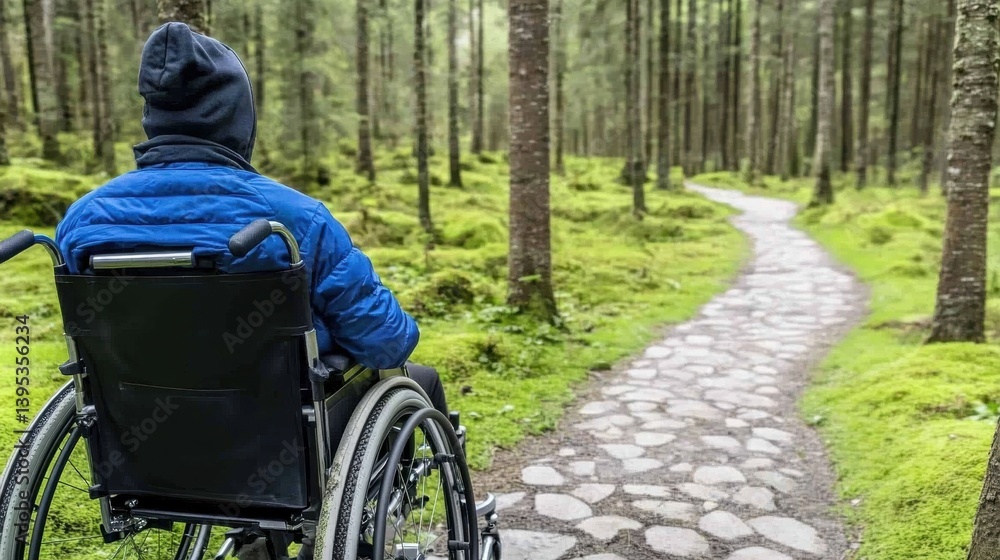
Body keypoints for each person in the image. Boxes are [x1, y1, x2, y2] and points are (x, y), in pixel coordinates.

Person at [56, 25, 449, 444]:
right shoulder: (295, 219)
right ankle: (447, 500)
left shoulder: (82, 220)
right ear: (237, 116)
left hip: (144, 440)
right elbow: (386, 343)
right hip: (280, 442)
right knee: (422, 381)